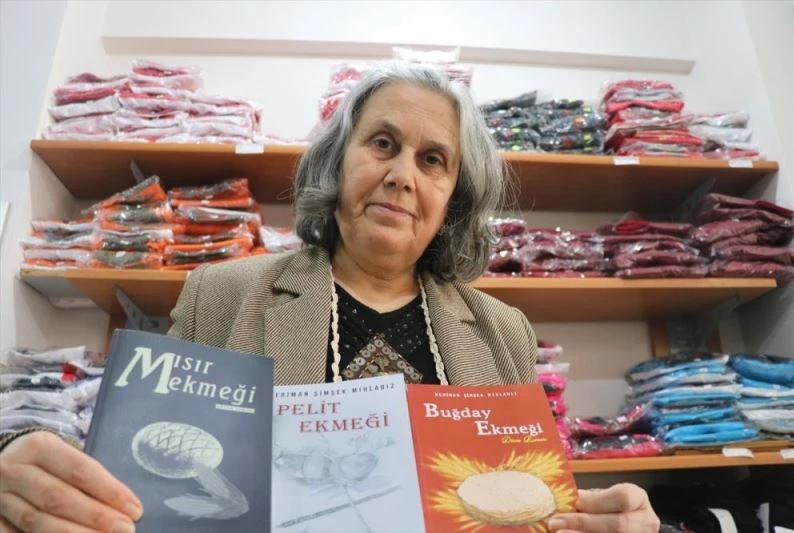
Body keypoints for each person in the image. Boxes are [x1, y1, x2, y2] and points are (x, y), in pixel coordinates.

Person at [0, 62, 660, 533]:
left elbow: (523, 498)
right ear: (339, 162)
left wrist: (603, 520)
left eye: (433, 159)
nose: (402, 175)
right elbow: (137, 456)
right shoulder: (224, 293)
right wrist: (25, 457)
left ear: (454, 199)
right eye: (383, 144)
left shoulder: (502, 329)